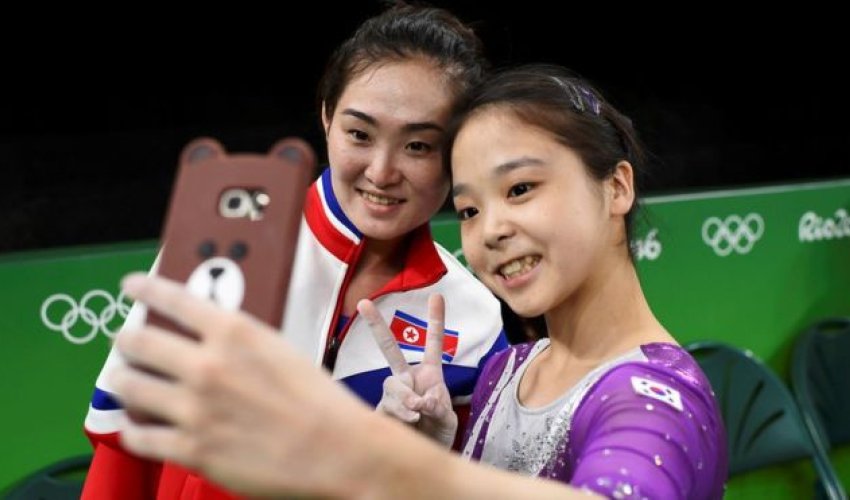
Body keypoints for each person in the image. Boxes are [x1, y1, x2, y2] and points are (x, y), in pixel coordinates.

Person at [109, 64, 727, 499]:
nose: (492, 230)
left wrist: (382, 462)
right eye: (469, 209)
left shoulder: (654, 397)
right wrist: (431, 447)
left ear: (616, 187)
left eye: (520, 189)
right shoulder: (506, 373)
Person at [82, 4, 508, 499]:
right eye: (359, 134)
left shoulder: (473, 320)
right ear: (326, 116)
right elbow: (124, 453)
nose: (382, 171)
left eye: (418, 146)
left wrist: (415, 462)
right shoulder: (223, 247)